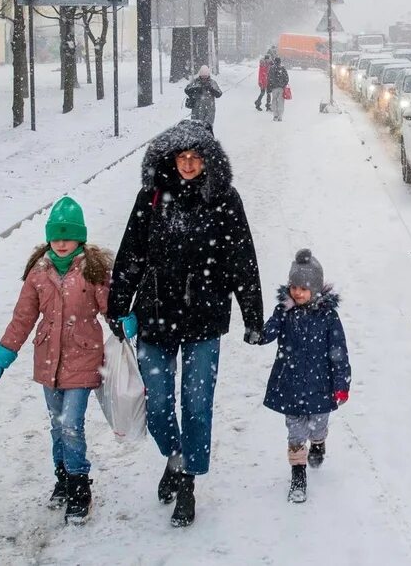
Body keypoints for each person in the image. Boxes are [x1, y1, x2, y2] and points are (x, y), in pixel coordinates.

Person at [108, 119, 265, 527]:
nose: (189, 164)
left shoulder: (225, 199)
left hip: (205, 317)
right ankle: (175, 459)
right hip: (157, 316)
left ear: (208, 160)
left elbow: (241, 259)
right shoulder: (152, 198)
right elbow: (131, 254)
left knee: (197, 406)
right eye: (183, 157)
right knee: (158, 406)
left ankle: (188, 483)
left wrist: (252, 314)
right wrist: (118, 303)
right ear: (170, 158)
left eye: (197, 157)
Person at [0, 197, 112, 526]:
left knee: (70, 423)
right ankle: (64, 478)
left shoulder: (93, 270)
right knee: (57, 425)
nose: (62, 242)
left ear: (80, 237)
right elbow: (22, 320)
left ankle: (80, 485)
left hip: (84, 359)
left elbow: (113, 307)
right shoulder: (39, 272)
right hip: (48, 363)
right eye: (56, 236)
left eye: (68, 236)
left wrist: (127, 321)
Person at [257, 249, 351, 504]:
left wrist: (341, 384)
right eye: (294, 287)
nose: (297, 293)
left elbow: (339, 352)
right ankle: (298, 474)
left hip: (321, 385)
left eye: (304, 288)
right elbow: (269, 332)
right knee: (295, 430)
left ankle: (319, 442)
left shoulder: (328, 316)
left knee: (318, 423)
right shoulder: (284, 311)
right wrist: (256, 333)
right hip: (291, 383)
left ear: (316, 289)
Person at [267, 55, 290, 122]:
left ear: (274, 62)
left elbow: (269, 78)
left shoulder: (272, 68)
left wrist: (269, 86)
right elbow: (287, 78)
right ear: (280, 62)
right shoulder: (283, 68)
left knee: (274, 101)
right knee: (281, 102)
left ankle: (275, 115)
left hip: (274, 88)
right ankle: (280, 116)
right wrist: (283, 84)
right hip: (281, 88)